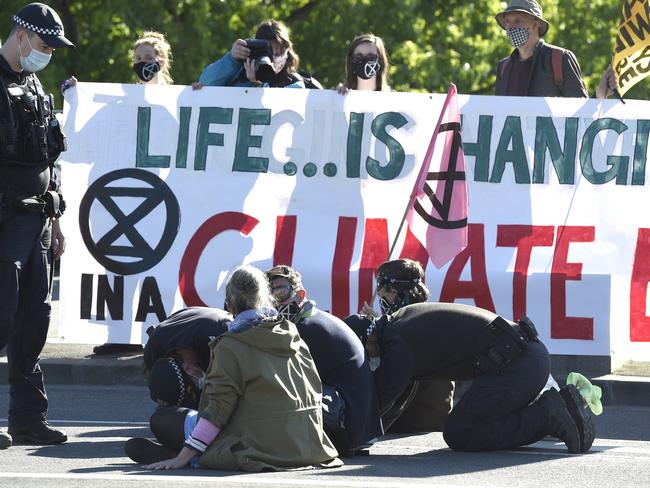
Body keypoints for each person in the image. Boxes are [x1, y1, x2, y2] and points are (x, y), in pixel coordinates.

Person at [125, 265, 340, 471]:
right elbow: (314, 388)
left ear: (229, 305)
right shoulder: (292, 334)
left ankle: (186, 456)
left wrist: (182, 459)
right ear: (265, 298)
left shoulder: (230, 346)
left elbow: (218, 409)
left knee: (162, 420)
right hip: (306, 444)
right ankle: (193, 453)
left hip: (258, 448)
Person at [346, 302, 596, 454]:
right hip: (524, 359)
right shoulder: (400, 323)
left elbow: (378, 400)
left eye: (365, 354)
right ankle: (551, 411)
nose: (370, 359)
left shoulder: (397, 344)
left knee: (460, 431)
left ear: (368, 339)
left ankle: (548, 414)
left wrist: (344, 438)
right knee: (469, 422)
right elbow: (397, 394)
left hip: (519, 367)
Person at [0, 2, 74, 449]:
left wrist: (56, 218)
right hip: (5, 219)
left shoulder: (32, 82)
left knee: (33, 321)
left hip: (38, 221)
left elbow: (49, 157)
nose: (47, 53)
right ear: (22, 36)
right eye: (44, 44)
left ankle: (27, 419)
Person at [265, 265, 383, 457]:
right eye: (269, 296)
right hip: (355, 425)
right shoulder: (314, 319)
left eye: (281, 292)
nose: (275, 303)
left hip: (347, 429)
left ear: (300, 294)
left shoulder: (307, 329)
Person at [360, 259, 454, 434]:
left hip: (407, 422)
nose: (379, 293)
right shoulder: (431, 316)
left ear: (394, 291)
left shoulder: (401, 328)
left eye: (381, 286)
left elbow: (390, 381)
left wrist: (374, 332)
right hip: (437, 418)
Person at [494, 0, 588, 98]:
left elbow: (579, 107)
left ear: (536, 24)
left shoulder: (560, 58)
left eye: (518, 21)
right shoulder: (503, 67)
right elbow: (499, 109)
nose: (511, 27)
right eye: (508, 22)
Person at [144, 307, 232, 409]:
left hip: (217, 324)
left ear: (187, 368)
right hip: (184, 325)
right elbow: (161, 393)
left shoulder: (220, 338)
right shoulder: (153, 352)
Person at [195, 19, 305, 89]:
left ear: (288, 53)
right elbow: (204, 83)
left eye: (280, 52)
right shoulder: (238, 71)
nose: (274, 59)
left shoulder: (294, 83)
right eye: (269, 52)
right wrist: (231, 59)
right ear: (257, 51)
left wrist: (259, 85)